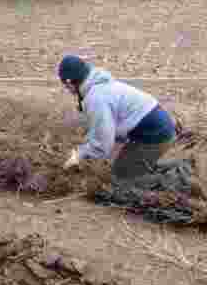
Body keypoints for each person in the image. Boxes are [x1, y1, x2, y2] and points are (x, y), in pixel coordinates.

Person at [58, 55, 177, 189]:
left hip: (155, 134)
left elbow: (103, 143)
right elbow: (103, 130)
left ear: (69, 82)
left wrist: (80, 155)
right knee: (129, 166)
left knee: (121, 180)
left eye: (66, 86)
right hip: (156, 126)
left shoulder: (96, 98)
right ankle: (175, 168)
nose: (68, 90)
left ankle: (179, 178)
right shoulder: (98, 84)